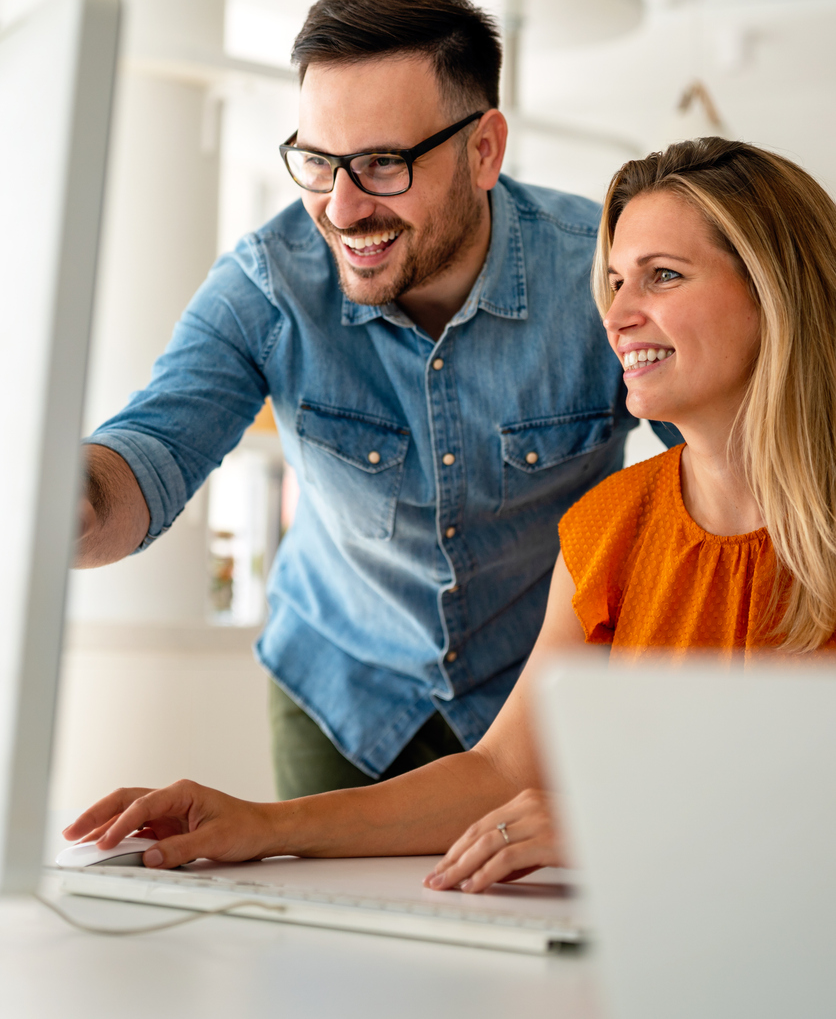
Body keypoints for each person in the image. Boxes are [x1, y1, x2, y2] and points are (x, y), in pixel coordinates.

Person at [66, 136, 836, 892]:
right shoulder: (613, 526)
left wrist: (623, 823)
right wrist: (262, 825)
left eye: (662, 276)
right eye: (613, 281)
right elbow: (504, 770)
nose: (615, 314)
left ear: (778, 291)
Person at [75, 0, 672, 802]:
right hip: (342, 693)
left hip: (539, 695)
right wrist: (61, 502)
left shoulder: (599, 274)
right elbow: (149, 455)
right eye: (318, 162)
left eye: (384, 163)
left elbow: (723, 471)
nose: (342, 206)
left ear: (484, 150)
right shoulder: (268, 283)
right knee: (332, 927)